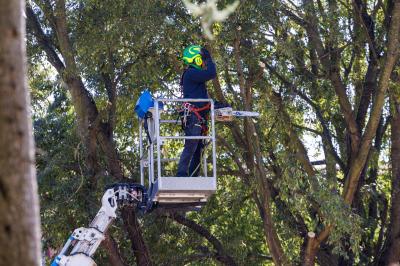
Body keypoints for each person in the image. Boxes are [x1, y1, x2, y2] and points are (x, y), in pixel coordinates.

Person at [176, 45, 216, 177]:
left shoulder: (193, 75)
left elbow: (201, 96)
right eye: (201, 59)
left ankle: (194, 175)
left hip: (198, 117)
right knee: (191, 145)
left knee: (198, 149)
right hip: (194, 117)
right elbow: (211, 73)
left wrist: (215, 105)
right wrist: (209, 59)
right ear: (196, 60)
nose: (203, 62)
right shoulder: (191, 73)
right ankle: (181, 173)